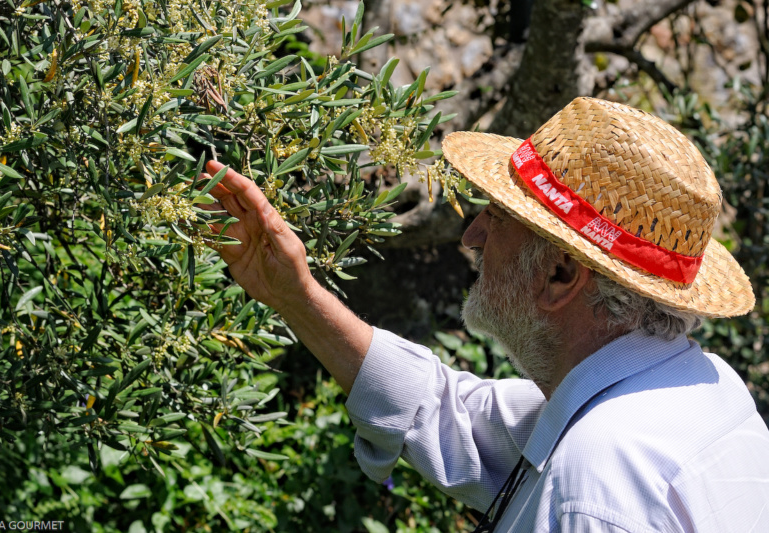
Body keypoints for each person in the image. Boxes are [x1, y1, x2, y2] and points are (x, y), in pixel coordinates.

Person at [199, 97, 769, 532]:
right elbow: (455, 414)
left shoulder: (597, 482)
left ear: (561, 277)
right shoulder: (698, 390)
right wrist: (294, 294)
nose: (471, 235)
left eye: (497, 217)